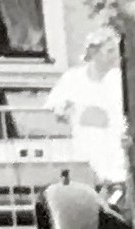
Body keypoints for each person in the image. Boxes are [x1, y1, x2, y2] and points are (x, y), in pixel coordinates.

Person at [46, 23, 128, 186]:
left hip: (114, 142)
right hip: (85, 143)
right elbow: (56, 109)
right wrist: (69, 114)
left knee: (115, 184)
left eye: (116, 51)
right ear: (94, 53)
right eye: (109, 51)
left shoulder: (119, 79)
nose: (115, 56)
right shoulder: (73, 78)